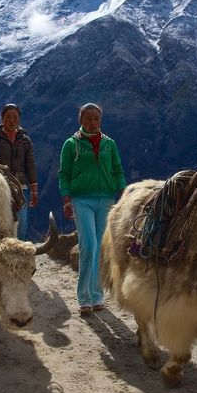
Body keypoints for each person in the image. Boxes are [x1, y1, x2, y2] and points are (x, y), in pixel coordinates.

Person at [58, 103, 126, 315]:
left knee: (101, 249)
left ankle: (97, 296)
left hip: (107, 199)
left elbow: (117, 170)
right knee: (88, 245)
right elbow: (63, 173)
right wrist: (67, 199)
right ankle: (84, 298)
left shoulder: (109, 144)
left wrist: (124, 196)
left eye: (96, 118)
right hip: (81, 200)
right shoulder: (71, 144)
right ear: (80, 120)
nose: (92, 122)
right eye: (88, 118)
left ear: (100, 120)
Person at [0, 103, 38, 240]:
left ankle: (18, 249)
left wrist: (34, 189)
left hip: (21, 187)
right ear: (1, 119)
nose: (12, 121)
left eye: (15, 117)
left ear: (19, 119)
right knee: (0, 222)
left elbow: (30, 165)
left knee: (22, 223)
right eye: (8, 117)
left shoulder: (25, 141)